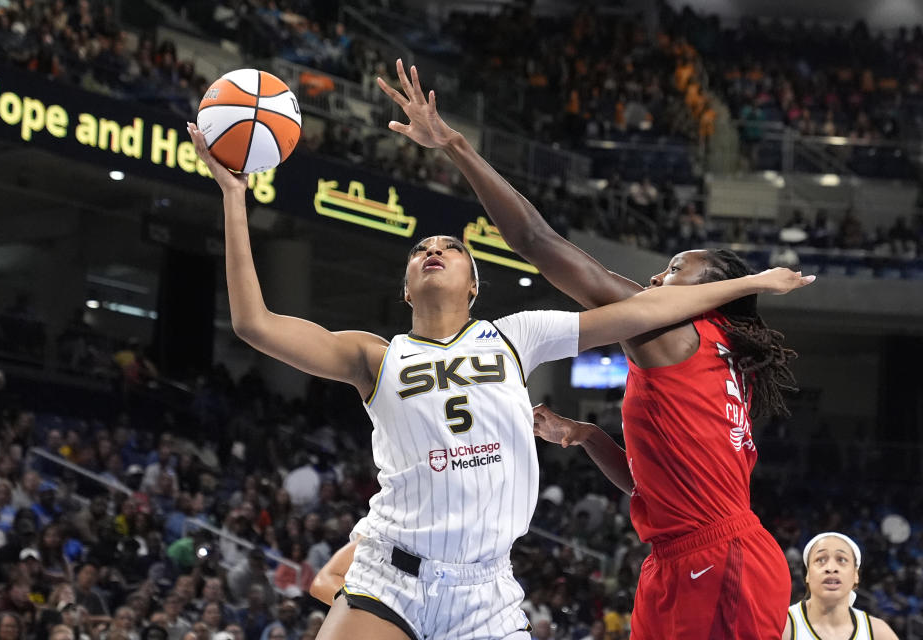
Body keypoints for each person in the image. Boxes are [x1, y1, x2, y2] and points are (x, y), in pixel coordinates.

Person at [186, 107, 811, 640]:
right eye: (420, 251)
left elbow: (541, 243)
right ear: (404, 288)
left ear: (477, 283)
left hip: (495, 585)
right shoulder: (375, 355)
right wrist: (234, 198)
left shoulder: (523, 334)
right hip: (395, 570)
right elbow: (255, 325)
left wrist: (750, 281)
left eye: (452, 247)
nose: (434, 250)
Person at [378, 59, 810, 640]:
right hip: (683, 554)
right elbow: (653, 485)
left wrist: (456, 145)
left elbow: (536, 240)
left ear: (709, 294)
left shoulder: (670, 334)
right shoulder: (715, 352)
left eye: (677, 271)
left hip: (719, 557)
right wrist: (584, 437)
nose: (657, 280)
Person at [783, 533, 898, 640]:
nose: (831, 567)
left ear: (855, 575)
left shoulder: (878, 633)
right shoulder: (783, 626)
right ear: (807, 575)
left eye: (842, 560)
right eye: (821, 559)